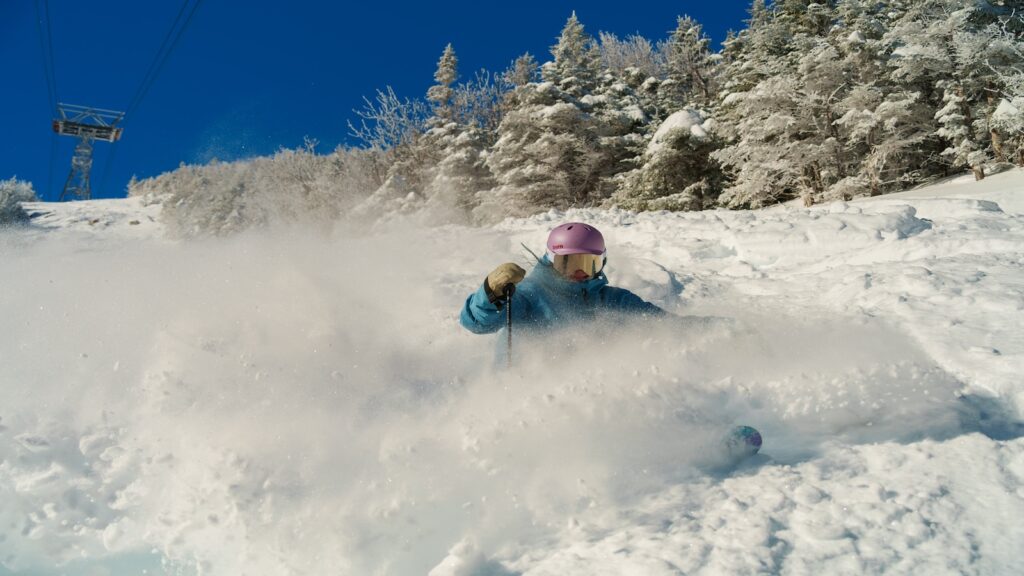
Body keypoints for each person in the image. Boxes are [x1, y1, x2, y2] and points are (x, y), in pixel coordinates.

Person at [460, 222, 664, 335]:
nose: (580, 273)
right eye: (568, 264)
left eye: (588, 264)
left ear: (602, 262)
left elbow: (663, 323)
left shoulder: (613, 300)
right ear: (551, 260)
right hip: (523, 390)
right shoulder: (529, 295)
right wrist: (491, 296)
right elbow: (478, 324)